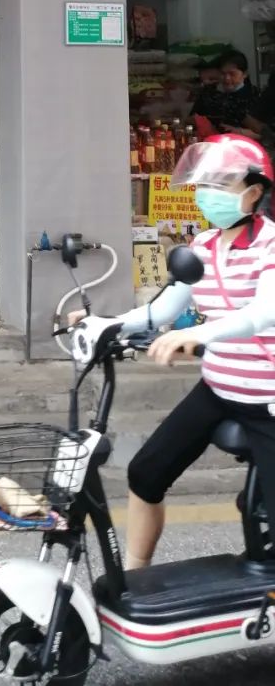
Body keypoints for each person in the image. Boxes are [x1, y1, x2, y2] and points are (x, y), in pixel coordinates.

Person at [115, 134, 275, 572]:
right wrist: (102, 324)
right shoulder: (202, 246)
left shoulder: (270, 245)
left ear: (253, 193)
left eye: (221, 184)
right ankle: (136, 576)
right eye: (205, 183)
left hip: (267, 397)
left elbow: (262, 313)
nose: (207, 193)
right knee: (145, 473)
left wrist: (199, 334)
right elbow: (161, 310)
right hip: (218, 388)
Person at [190, 49, 262, 137]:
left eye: (232, 74)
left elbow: (266, 134)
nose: (227, 78)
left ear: (245, 74)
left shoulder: (256, 96)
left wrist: (240, 132)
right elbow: (192, 119)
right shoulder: (209, 93)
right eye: (223, 73)